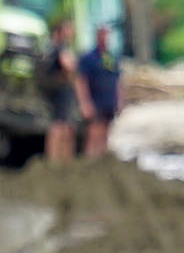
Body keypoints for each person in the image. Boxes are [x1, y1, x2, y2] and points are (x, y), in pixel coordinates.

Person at [78, 21, 127, 160]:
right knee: (94, 131)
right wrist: (85, 102)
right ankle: (91, 161)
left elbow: (117, 81)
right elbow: (81, 81)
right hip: (95, 99)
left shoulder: (111, 57)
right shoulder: (88, 58)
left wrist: (120, 100)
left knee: (106, 130)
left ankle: (102, 160)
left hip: (108, 100)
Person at [39, 21, 80, 162]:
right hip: (61, 91)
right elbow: (69, 66)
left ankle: (60, 160)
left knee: (63, 125)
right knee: (59, 126)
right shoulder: (60, 48)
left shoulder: (52, 48)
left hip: (59, 91)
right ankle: (56, 159)